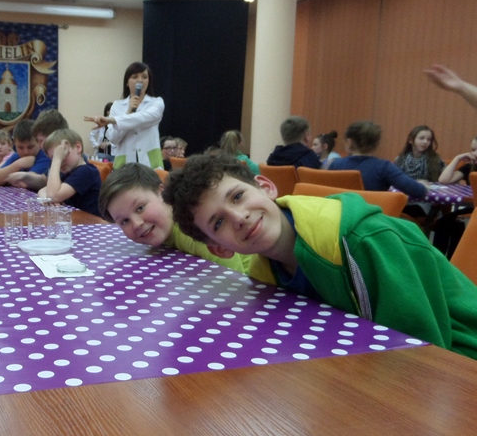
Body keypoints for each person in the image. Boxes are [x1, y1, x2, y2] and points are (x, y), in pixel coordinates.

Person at [162, 152, 477, 359]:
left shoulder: (365, 241)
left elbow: (422, 352)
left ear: (266, 187)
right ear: (219, 248)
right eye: (218, 222)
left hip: (461, 357)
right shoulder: (266, 273)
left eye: (238, 196)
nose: (239, 217)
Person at [98, 163, 250, 276]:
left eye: (140, 208)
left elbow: (235, 278)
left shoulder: (194, 228)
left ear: (162, 193)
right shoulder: (166, 231)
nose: (137, 224)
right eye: (125, 221)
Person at [84, 61, 165, 170]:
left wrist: (112, 120)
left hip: (150, 162)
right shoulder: (117, 106)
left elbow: (143, 118)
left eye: (144, 77)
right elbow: (113, 139)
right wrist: (129, 112)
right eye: (135, 77)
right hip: (125, 163)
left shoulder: (156, 103)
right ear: (127, 82)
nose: (140, 80)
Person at [328, 120, 427, 198]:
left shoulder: (335, 164)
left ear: (349, 142)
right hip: (371, 216)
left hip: (339, 215)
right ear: (376, 143)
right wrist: (421, 185)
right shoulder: (384, 167)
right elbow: (419, 191)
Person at [39, 129, 102, 216]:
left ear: (78, 148)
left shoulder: (86, 171)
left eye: (63, 155)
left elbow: (52, 196)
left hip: (91, 222)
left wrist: (57, 159)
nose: (60, 161)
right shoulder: (69, 172)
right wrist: (46, 198)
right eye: (52, 158)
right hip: (76, 220)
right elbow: (43, 190)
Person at [0, 119, 51, 187]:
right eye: (20, 147)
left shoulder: (45, 156)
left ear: (39, 142)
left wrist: (9, 176)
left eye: (30, 147)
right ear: (14, 143)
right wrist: (18, 164)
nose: (25, 152)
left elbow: (27, 182)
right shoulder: (16, 156)